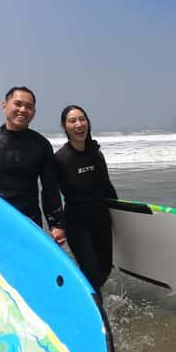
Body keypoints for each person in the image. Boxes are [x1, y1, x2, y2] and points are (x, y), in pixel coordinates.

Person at [0, 86, 65, 246]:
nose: (23, 110)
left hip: (29, 222)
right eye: (18, 104)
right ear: (4, 105)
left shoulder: (41, 145)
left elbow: (50, 188)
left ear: (34, 112)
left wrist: (56, 224)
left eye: (29, 107)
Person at [54, 104, 118, 293]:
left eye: (82, 119)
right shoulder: (60, 159)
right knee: (92, 273)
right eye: (72, 120)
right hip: (77, 223)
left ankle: (88, 299)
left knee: (105, 269)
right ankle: (97, 317)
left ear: (88, 123)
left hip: (101, 219)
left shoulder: (96, 154)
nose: (78, 124)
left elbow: (107, 187)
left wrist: (121, 214)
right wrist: (58, 224)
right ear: (64, 127)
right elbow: (52, 194)